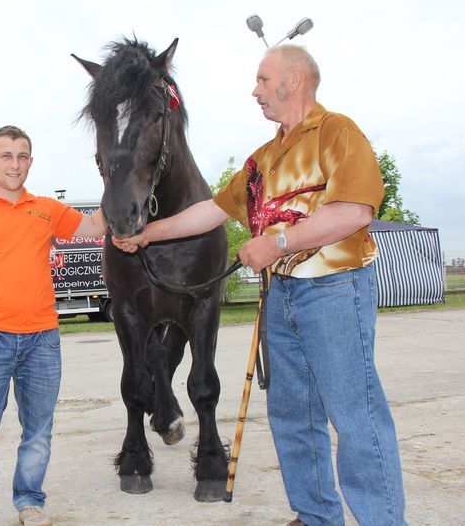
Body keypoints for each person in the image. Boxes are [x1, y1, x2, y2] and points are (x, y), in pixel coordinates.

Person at [113, 45, 406, 526]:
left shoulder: (338, 133)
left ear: (294, 80)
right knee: (293, 415)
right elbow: (210, 211)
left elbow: (354, 211)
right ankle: (315, 516)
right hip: (282, 296)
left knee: (356, 417)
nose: (255, 91)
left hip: (334, 292)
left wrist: (276, 243)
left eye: (263, 81)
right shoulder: (264, 158)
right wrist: (148, 233)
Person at [0, 125, 107, 526]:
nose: (15, 164)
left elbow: (95, 227)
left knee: (38, 432)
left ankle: (29, 503)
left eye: (22, 156)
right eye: (6, 156)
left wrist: (115, 177)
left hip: (42, 342)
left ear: (30, 161)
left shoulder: (47, 208)